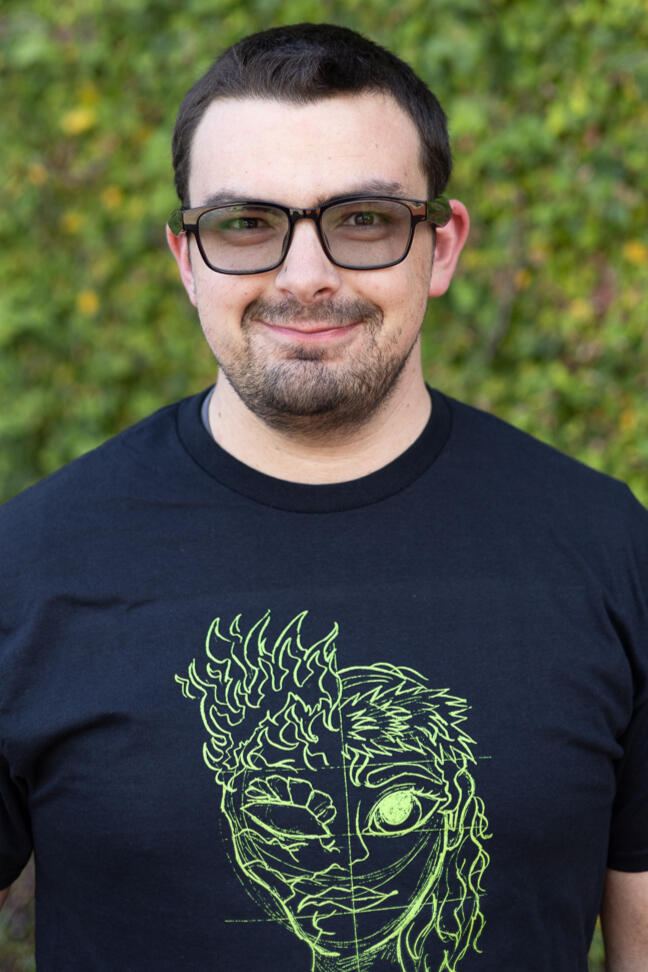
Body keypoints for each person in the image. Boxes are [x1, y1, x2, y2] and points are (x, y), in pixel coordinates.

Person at [0, 22, 646, 972]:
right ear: (186, 258)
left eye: (364, 219)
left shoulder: (609, 547)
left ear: (441, 247)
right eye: (246, 224)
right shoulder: (27, 566)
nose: (305, 278)